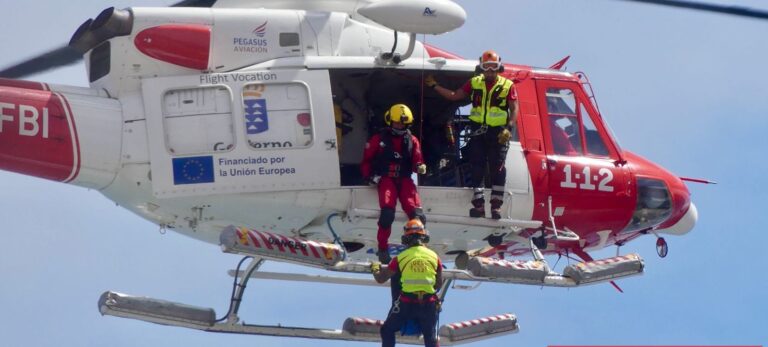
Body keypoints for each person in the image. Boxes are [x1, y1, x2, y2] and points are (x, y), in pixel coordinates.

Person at [425, 50, 518, 219]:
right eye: (487, 67)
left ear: (498, 68)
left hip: (498, 134)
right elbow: (454, 96)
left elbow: (514, 108)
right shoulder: (474, 83)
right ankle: (479, 206)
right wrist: (434, 86)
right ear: (482, 68)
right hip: (478, 132)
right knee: (477, 168)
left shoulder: (508, 85)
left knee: (498, 169)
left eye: (493, 67)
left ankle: (496, 206)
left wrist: (508, 128)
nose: (490, 71)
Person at [361, 104, 427, 263]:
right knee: (387, 215)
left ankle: (417, 248)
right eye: (397, 123)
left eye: (402, 124)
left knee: (418, 216)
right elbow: (366, 160)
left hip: (405, 180)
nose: (399, 126)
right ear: (390, 121)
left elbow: (417, 160)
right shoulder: (378, 139)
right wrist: (369, 177)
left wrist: (420, 167)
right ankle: (383, 248)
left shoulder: (412, 140)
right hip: (386, 179)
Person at [371, 219, 443, 347]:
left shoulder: (401, 257)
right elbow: (438, 285)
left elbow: (381, 279)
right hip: (429, 304)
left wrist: (375, 268)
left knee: (387, 330)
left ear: (406, 238)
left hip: (407, 304)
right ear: (424, 236)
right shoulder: (435, 257)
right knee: (430, 337)